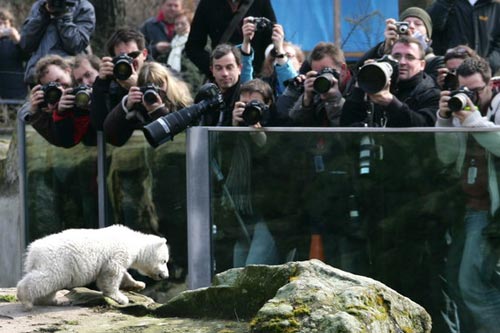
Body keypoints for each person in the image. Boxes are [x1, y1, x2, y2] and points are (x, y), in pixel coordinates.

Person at [435, 56, 500, 333]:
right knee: (457, 280)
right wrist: (444, 119)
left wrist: (473, 118)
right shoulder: (462, 112)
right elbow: (446, 156)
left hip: (490, 212)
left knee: (473, 285)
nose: (469, 97)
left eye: (475, 91)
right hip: (466, 208)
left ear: (492, 85)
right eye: (464, 90)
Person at [340, 36, 440, 127]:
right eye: (396, 56)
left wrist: (391, 103)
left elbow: (425, 127)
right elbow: (346, 126)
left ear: (422, 65)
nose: (402, 62)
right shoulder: (378, 84)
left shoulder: (431, 94)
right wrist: (362, 83)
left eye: (410, 57)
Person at [103, 61, 193, 147]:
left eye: (159, 84)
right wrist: (125, 105)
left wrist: (158, 111)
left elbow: (180, 139)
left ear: (168, 81)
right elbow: (112, 137)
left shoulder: (180, 102)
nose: (155, 90)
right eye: (147, 86)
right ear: (140, 87)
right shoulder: (137, 107)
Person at [185, 0, 276, 78]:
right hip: (222, 81)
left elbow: (272, 41)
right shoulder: (208, 3)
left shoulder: (260, 2)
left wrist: (263, 72)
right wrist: (216, 69)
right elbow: (193, 47)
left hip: (256, 77)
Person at [19, 54, 94, 148]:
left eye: (58, 80)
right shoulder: (51, 106)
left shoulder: (84, 78)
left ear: (68, 71)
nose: (59, 87)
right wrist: (36, 114)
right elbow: (60, 140)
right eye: (52, 86)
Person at [354, 6, 443, 82]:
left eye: (418, 24)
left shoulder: (436, 62)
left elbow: (430, 87)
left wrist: (414, 47)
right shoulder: (390, 54)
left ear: (428, 37)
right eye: (406, 24)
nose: (411, 26)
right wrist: (386, 49)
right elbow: (357, 72)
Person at [19, 0, 95, 87]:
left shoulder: (83, 7)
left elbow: (76, 45)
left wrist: (63, 15)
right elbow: (26, 44)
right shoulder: (40, 5)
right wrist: (43, 14)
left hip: (67, 78)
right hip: (38, 77)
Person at [90, 28, 148, 131]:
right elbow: (100, 125)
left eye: (132, 55)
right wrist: (101, 84)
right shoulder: (111, 83)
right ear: (113, 60)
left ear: (144, 54)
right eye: (122, 57)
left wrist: (139, 87)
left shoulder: (160, 75)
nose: (128, 61)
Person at [239, 16, 304, 102]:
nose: (281, 61)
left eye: (288, 55)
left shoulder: (306, 83)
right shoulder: (265, 86)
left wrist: (280, 50)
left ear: (300, 62)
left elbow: (291, 89)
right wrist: (246, 42)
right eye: (275, 58)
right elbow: (246, 87)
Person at [288, 42, 352, 127]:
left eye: (326, 71)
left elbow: (350, 129)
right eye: (317, 73)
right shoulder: (314, 90)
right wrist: (306, 101)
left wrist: (335, 101)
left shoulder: (357, 90)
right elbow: (294, 128)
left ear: (343, 69)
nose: (322, 77)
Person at [427, 0, 500, 74]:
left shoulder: (495, 6)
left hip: (480, 76)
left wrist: (487, 67)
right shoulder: (446, 3)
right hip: (445, 73)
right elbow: (431, 27)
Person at [201, 43, 243, 126]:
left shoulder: (246, 97)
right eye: (219, 68)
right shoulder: (205, 97)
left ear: (239, 68)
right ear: (212, 70)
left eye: (229, 67)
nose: (225, 73)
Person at [0, 7, 27, 100]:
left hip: (15, 90)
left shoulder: (17, 39)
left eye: (5, 23)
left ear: (10, 24)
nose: (2, 27)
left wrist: (18, 40)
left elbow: (28, 57)